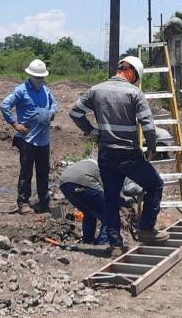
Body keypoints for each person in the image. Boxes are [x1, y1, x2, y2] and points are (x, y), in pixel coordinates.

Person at [69, 56, 169, 254]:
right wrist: (151, 149)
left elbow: (75, 113)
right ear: (131, 72)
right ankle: (147, 229)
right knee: (155, 184)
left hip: (106, 153)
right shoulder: (135, 93)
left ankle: (115, 244)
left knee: (111, 197)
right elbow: (148, 127)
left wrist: (92, 132)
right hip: (128, 153)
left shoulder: (96, 90)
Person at [0, 59, 58, 214]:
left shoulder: (46, 90)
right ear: (30, 75)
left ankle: (44, 201)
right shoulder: (21, 90)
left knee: (43, 171)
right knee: (26, 171)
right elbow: (4, 105)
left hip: (44, 139)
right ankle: (23, 203)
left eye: (41, 77)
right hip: (27, 139)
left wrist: (51, 113)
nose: (39, 80)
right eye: (37, 77)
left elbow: (54, 104)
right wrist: (14, 124)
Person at [59, 159, 143, 246]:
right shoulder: (119, 169)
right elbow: (129, 188)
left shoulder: (100, 161)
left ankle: (88, 243)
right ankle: (104, 244)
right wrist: (142, 190)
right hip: (84, 180)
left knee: (89, 214)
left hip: (64, 183)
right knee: (109, 215)